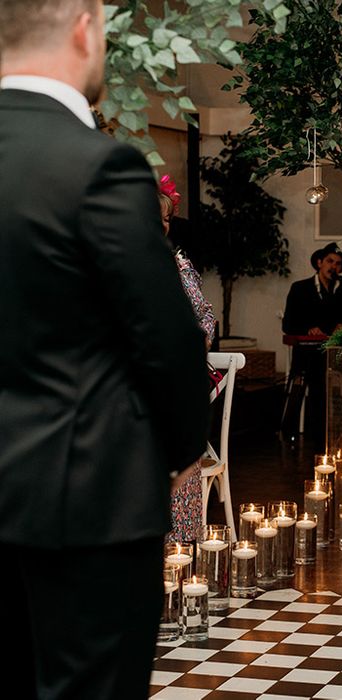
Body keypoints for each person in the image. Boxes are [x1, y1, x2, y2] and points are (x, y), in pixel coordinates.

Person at [0, 2, 211, 698]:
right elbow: (169, 334)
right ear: (86, 28)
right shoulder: (96, 165)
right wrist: (184, 451)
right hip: (82, 499)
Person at [159, 174, 216, 543]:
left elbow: (205, 321)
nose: (160, 225)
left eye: (165, 219)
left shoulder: (177, 266)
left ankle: (179, 549)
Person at [282, 242, 342, 442]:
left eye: (338, 264)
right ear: (319, 262)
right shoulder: (300, 288)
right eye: (330, 261)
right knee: (320, 382)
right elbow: (288, 324)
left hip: (336, 353)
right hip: (308, 355)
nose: (333, 267)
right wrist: (308, 329)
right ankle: (319, 437)